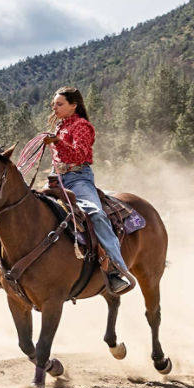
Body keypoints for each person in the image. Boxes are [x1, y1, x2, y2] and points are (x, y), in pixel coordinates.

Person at [44, 87, 135, 295]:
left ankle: (116, 270)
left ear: (73, 105)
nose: (54, 108)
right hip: (56, 180)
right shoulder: (59, 127)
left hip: (78, 179)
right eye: (53, 105)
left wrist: (57, 143)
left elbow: (79, 154)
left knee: (95, 214)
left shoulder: (82, 126)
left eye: (60, 104)